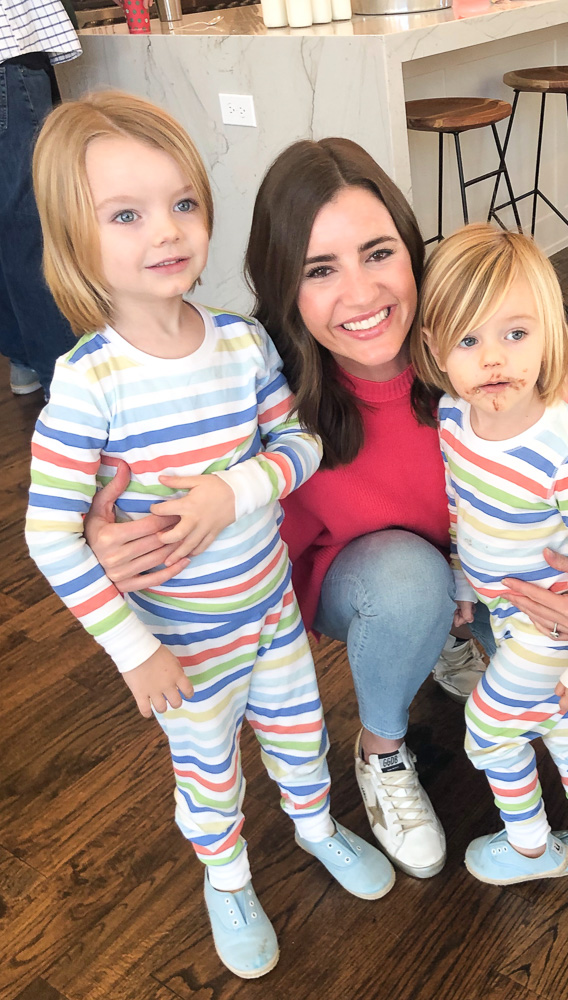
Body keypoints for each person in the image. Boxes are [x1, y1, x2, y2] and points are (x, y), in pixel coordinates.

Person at [82, 137, 568, 885]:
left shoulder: (481, 349)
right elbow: (165, 456)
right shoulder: (262, 389)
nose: (359, 294)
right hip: (369, 583)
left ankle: (449, 642)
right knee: (408, 581)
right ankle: (382, 749)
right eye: (321, 270)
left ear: (413, 255)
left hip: (499, 578)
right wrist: (111, 534)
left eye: (378, 253)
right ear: (284, 283)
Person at [24, 93, 393, 981]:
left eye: (183, 203)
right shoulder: (88, 386)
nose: (168, 231)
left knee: (300, 733)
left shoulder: (241, 344)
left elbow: (300, 444)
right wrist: (133, 652)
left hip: (269, 616)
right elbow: (50, 536)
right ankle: (227, 878)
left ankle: (313, 828)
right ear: (76, 238)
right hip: (184, 650)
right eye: (127, 213)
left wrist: (235, 491)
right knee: (211, 770)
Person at [412, 224, 568, 884]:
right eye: (469, 340)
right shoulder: (454, 418)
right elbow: (462, 510)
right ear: (435, 349)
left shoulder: (567, 445)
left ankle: (531, 846)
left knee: (488, 730)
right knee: (563, 728)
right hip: (505, 616)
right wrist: (459, 582)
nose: (494, 360)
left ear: (548, 336)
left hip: (553, 624)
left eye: (516, 333)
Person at [0, 0, 79, 397]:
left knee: (11, 225)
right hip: (7, 50)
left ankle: (24, 357)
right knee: (31, 228)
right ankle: (65, 383)